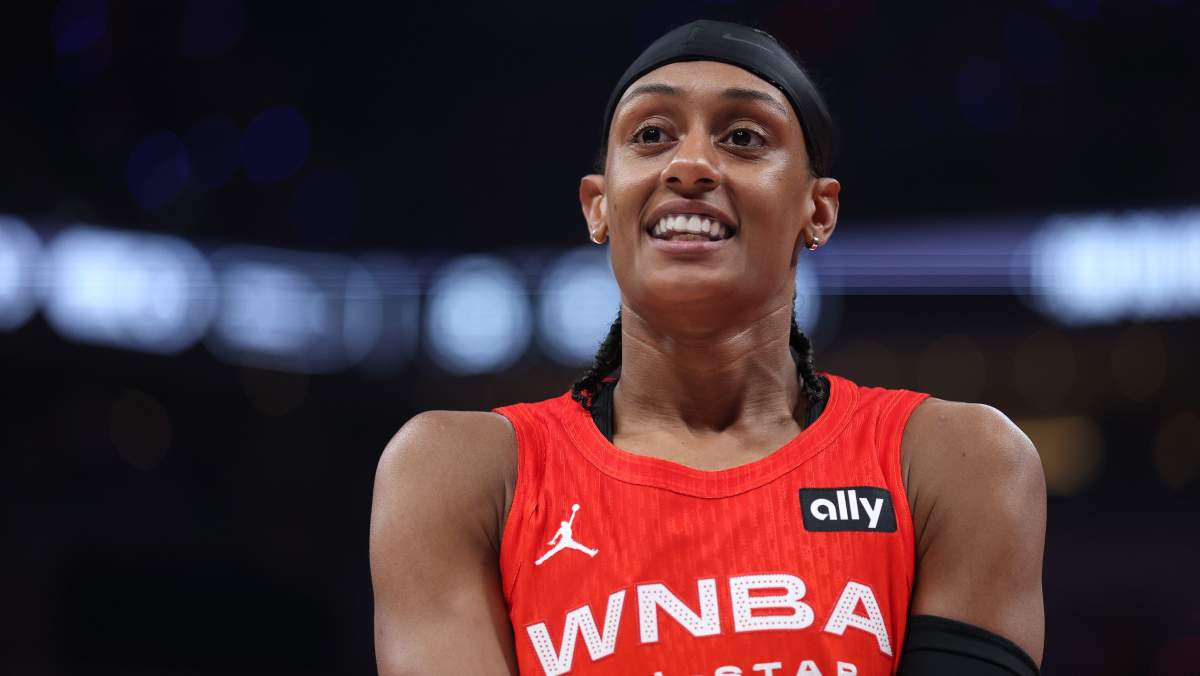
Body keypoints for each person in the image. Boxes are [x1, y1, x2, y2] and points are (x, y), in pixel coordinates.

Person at [370, 19, 1046, 676]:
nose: (690, 164)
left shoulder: (954, 461)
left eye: (744, 138)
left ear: (818, 211)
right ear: (598, 205)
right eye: (652, 135)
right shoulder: (459, 472)